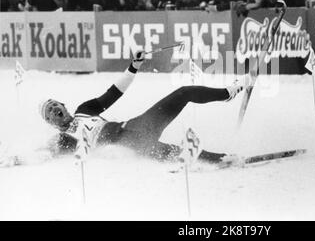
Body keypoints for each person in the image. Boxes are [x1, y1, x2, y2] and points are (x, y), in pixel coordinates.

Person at [1, 52, 248, 167]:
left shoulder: (84, 110)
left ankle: (228, 93)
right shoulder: (62, 139)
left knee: (184, 92)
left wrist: (133, 67)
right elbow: (40, 155)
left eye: (55, 105)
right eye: (49, 112)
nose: (54, 110)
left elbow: (113, 93)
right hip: (131, 148)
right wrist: (13, 160)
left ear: (64, 106)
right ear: (51, 123)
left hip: (135, 128)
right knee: (183, 153)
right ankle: (225, 159)